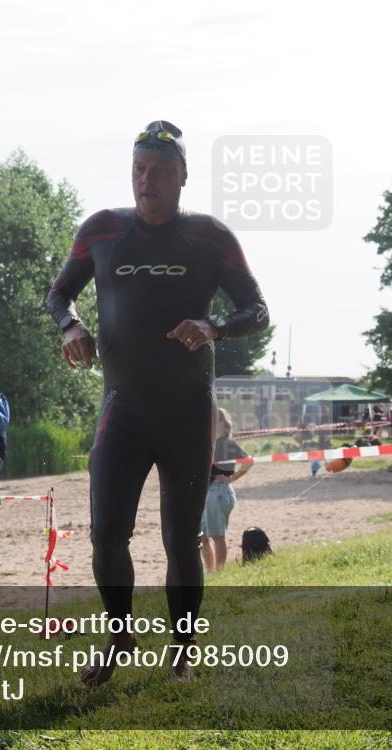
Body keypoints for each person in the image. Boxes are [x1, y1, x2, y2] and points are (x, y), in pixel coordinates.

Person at [45, 120, 269, 684]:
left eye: (161, 173)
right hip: (123, 408)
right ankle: (120, 634)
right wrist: (70, 324)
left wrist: (213, 325)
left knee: (180, 539)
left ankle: (183, 650)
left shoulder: (209, 237)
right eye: (140, 171)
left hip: (186, 410)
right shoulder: (101, 231)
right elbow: (59, 291)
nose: (148, 182)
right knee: (105, 535)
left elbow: (257, 310)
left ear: (183, 176)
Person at [201, 408, 251, 572]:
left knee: (217, 536)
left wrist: (231, 478)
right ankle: (211, 572)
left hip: (218, 492)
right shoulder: (207, 442)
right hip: (205, 493)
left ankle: (219, 573)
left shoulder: (228, 443)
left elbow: (249, 461)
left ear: (221, 422)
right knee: (203, 538)